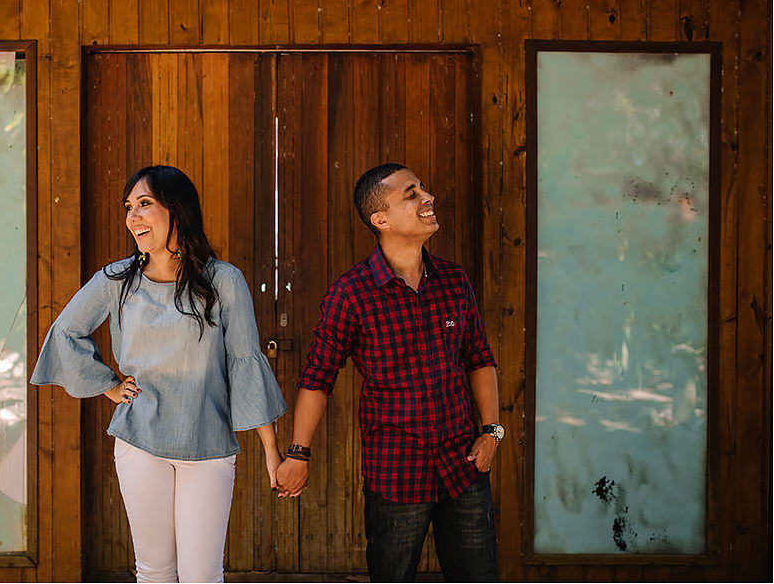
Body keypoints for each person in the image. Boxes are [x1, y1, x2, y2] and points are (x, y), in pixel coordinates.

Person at [31, 165, 287, 583]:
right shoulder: (116, 280)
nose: (132, 217)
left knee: (202, 576)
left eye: (144, 204)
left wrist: (271, 452)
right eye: (128, 207)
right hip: (140, 443)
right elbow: (66, 332)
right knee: (153, 573)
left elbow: (245, 361)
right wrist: (108, 386)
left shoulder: (224, 280)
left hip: (207, 445)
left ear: (177, 210)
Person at [275, 163, 502, 582]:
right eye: (411, 194)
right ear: (381, 220)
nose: (427, 197)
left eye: (423, 188)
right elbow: (318, 378)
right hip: (396, 475)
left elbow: (479, 359)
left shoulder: (454, 281)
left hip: (464, 469)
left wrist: (492, 433)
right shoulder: (351, 294)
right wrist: (298, 454)